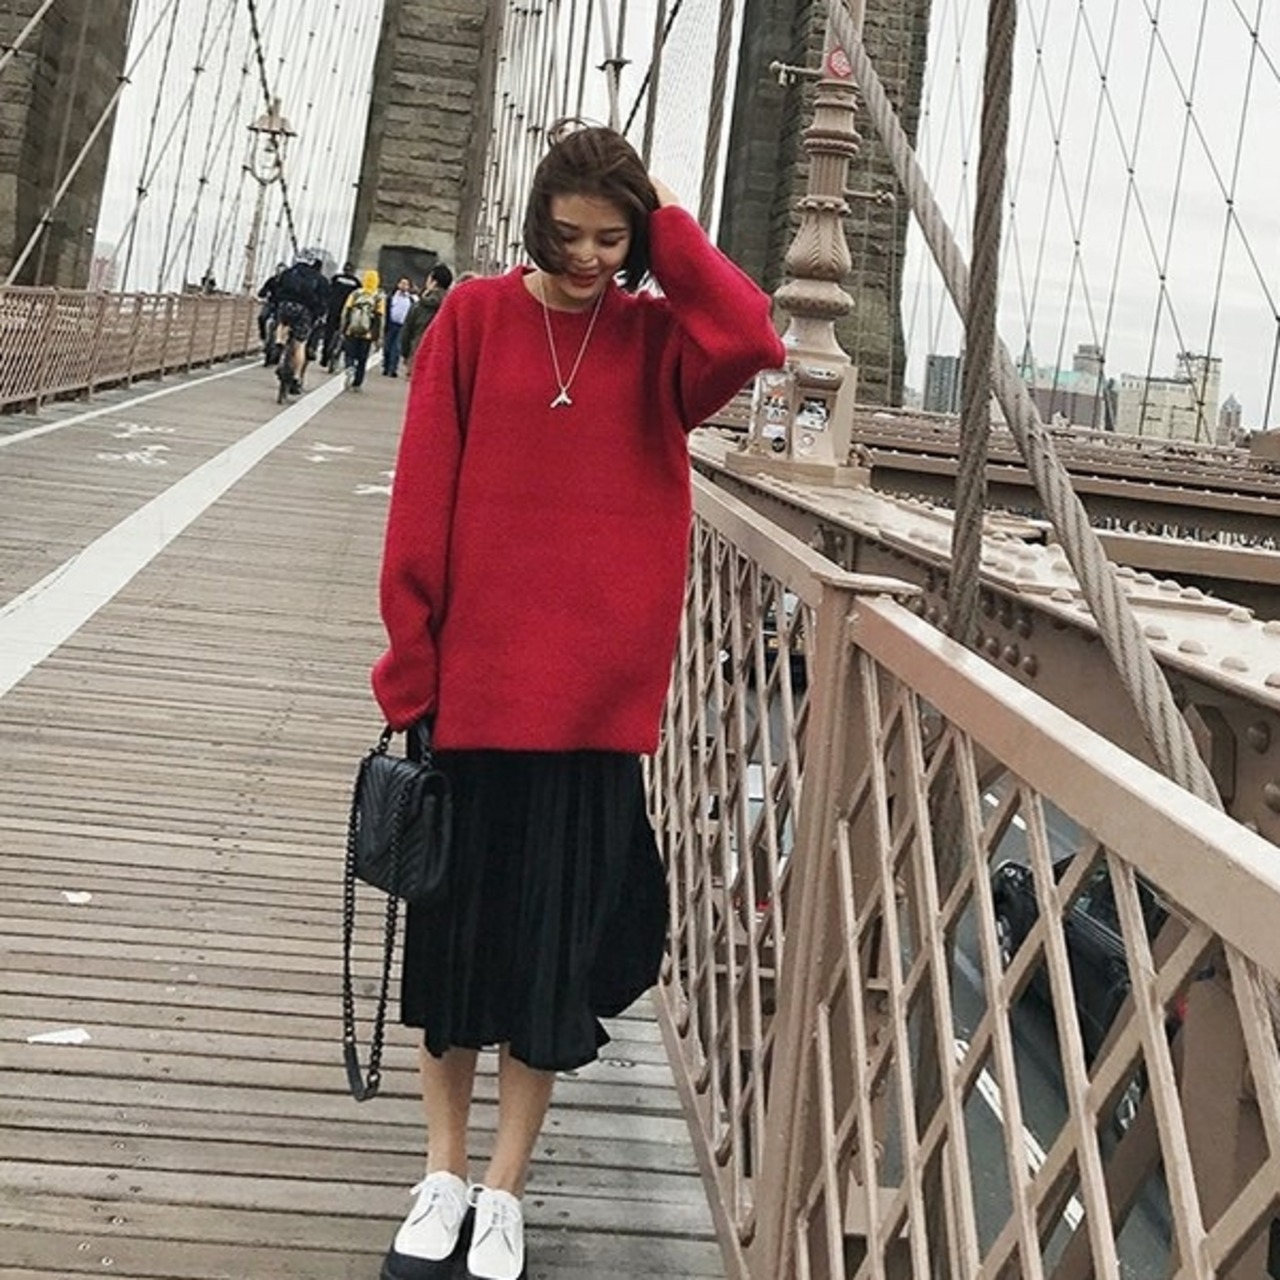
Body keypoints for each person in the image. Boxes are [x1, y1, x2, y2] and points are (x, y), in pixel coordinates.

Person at [370, 122, 784, 1280]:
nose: (592, 257)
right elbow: (420, 495)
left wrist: (669, 222)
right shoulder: (472, 318)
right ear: (535, 224)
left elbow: (751, 335)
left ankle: (502, 1190)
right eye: (569, 235)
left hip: (590, 716)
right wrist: (410, 664)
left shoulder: (658, 345)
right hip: (471, 698)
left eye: (614, 238)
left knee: (543, 968)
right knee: (453, 958)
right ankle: (442, 1172)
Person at [273, 257, 327, 394]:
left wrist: (277, 303)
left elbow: (276, 289)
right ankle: (296, 377)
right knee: (300, 345)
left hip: (286, 305)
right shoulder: (319, 279)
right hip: (304, 311)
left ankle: (279, 341)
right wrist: (318, 313)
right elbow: (322, 301)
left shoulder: (288, 273)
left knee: (282, 323)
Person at [399, 263, 453, 372]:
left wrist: (406, 354)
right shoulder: (452, 306)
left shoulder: (419, 305)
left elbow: (407, 332)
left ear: (434, 282)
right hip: (444, 360)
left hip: (418, 354)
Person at [340, 269, 384, 391]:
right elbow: (380, 317)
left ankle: (349, 366)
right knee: (362, 359)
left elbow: (346, 311)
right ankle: (357, 384)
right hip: (367, 333)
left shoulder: (356, 294)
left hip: (352, 329)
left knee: (349, 353)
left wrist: (344, 328)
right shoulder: (378, 297)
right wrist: (377, 336)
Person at [323, 260, 362, 370]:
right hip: (347, 311)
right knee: (345, 334)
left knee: (329, 333)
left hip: (333, 309)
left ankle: (325, 356)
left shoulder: (336, 278)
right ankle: (338, 354)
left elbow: (328, 292)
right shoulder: (356, 283)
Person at [381, 276, 415, 377]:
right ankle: (386, 366)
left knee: (396, 348)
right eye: (402, 283)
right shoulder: (391, 297)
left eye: (406, 284)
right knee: (387, 347)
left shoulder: (411, 300)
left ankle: (392, 369)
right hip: (391, 325)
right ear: (398, 284)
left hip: (402, 326)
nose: (404, 285)